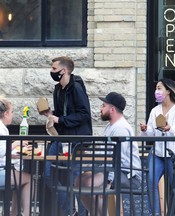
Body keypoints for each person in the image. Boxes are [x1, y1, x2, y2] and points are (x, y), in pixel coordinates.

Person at [75, 92, 142, 215]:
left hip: (127, 173)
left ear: (112, 109)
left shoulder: (121, 128)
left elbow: (118, 159)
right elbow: (104, 154)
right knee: (79, 181)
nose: (100, 109)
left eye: (103, 105)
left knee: (90, 184)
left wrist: (108, 182)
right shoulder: (109, 127)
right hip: (110, 169)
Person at [42, 56, 92, 216]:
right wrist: (51, 114)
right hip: (62, 137)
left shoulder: (76, 88)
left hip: (76, 139)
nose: (51, 72)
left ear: (64, 71)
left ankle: (82, 213)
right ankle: (71, 211)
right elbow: (63, 114)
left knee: (75, 178)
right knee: (48, 173)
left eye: (54, 69)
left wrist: (60, 119)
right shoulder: (58, 89)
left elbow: (84, 114)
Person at [140, 78, 175, 216]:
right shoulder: (155, 110)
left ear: (168, 91)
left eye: (159, 88)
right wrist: (145, 130)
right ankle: (156, 213)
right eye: (156, 88)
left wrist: (170, 128)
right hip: (158, 153)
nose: (156, 91)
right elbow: (151, 134)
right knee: (151, 183)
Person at [0, 96, 33, 216]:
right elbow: (1, 151)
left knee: (20, 181)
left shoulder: (3, 128)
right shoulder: (1, 129)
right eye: (12, 112)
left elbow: (4, 151)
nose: (12, 115)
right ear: (6, 113)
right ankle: (26, 213)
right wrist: (16, 143)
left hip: (4, 170)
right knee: (29, 180)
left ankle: (14, 214)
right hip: (2, 172)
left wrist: (20, 148)